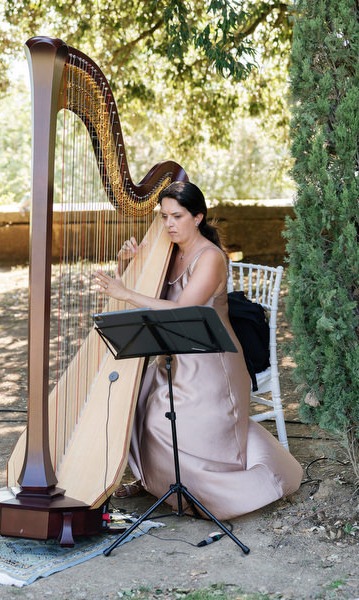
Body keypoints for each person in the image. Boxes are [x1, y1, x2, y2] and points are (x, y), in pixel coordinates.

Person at [93, 181, 302, 520]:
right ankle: (158, 483)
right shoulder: (166, 252)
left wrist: (126, 294)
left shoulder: (211, 258)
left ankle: (196, 490)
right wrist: (125, 262)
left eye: (177, 216)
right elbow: (139, 290)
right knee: (132, 400)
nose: (169, 224)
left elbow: (181, 310)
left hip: (211, 361)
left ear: (198, 217)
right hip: (174, 353)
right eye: (163, 217)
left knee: (161, 419)